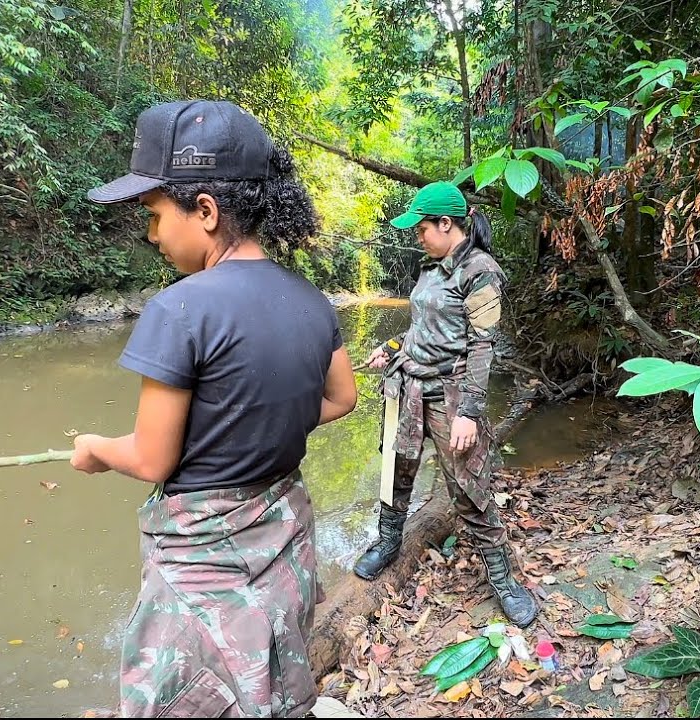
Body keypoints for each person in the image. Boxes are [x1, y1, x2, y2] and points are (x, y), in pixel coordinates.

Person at [70, 100, 359, 718]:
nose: (152, 235)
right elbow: (341, 398)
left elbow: (151, 458)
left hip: (201, 563)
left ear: (205, 210)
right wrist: (262, 420)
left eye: (154, 215)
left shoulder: (180, 310)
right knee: (268, 685)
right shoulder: (312, 299)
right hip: (283, 538)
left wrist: (93, 448)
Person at [353, 181, 538, 628]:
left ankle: (503, 578)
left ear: (446, 223)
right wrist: (393, 346)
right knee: (395, 469)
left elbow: (482, 346)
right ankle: (388, 541)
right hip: (407, 387)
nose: (418, 236)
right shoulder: (430, 269)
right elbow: (422, 327)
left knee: (468, 487)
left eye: (421, 228)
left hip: (450, 394)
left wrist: (470, 411)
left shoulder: (480, 271)